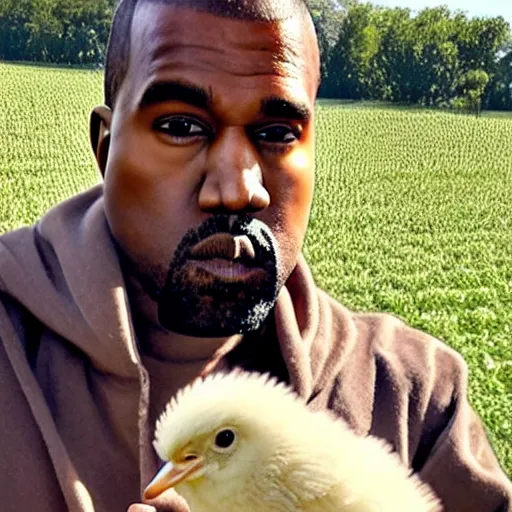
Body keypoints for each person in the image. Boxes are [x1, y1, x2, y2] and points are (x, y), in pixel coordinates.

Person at [0, 0, 510, 510]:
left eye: (277, 134)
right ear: (106, 148)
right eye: (181, 126)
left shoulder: (411, 399)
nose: (238, 189)